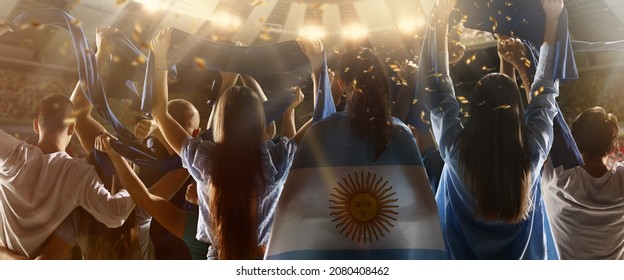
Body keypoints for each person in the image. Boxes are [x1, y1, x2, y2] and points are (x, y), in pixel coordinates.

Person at [141, 27, 315, 260]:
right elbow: (321, 117)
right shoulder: (275, 160)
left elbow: (159, 112)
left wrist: (160, 58)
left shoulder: (204, 159)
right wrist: (317, 66)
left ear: (219, 122)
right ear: (259, 120)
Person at [430, 0, 563, 259]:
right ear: (517, 113)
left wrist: (441, 18)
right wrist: (554, 18)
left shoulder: (456, 151)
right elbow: (545, 90)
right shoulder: (531, 153)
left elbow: (437, 88)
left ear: (474, 112)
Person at [0, 94, 135, 258]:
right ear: (72, 127)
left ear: (36, 125)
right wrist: (132, 182)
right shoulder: (78, 173)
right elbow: (115, 214)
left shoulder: (13, 155)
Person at [543, 107, 624, 259]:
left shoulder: (558, 177)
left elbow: (544, 114)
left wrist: (534, 85)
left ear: (574, 142)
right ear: (613, 148)